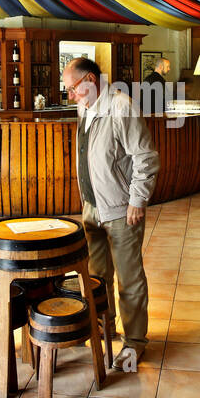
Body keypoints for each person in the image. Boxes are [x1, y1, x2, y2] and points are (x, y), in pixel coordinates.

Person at [62, 56, 160, 372]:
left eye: (73, 88)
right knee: (96, 276)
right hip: (92, 207)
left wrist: (137, 201)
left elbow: (145, 158)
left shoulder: (122, 107)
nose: (71, 95)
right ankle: (104, 326)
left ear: (90, 79)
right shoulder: (85, 107)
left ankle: (134, 343)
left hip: (121, 210)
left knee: (129, 279)